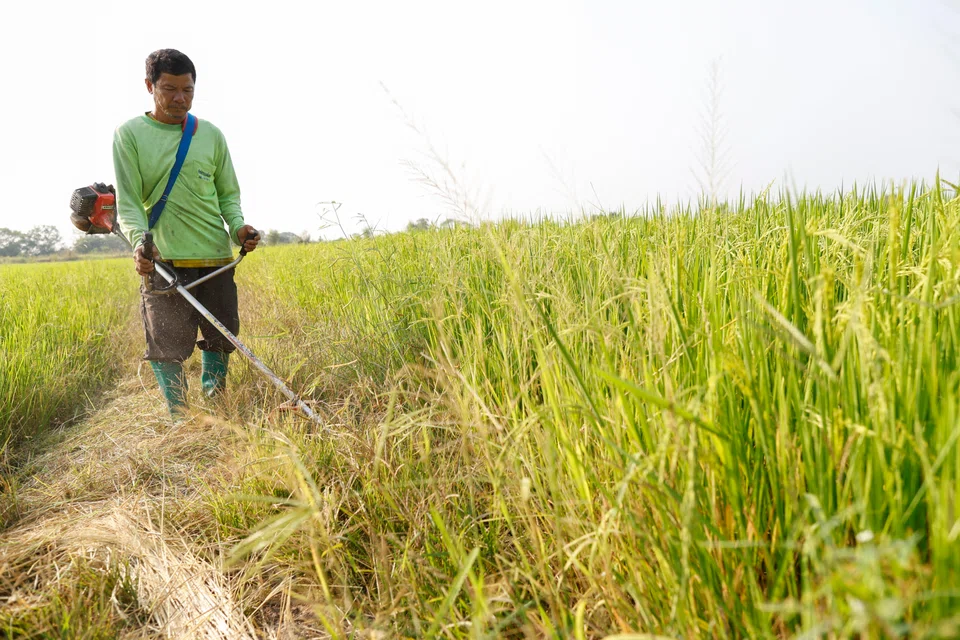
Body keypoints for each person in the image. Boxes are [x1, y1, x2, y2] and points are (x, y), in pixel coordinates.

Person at [112, 48, 260, 419]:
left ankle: (217, 407)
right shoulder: (129, 134)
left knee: (219, 334)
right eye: (169, 89)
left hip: (215, 256)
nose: (180, 98)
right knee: (166, 342)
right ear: (149, 86)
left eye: (187, 91)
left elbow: (228, 194)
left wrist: (239, 227)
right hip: (164, 260)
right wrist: (139, 244)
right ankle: (180, 417)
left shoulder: (210, 135)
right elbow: (128, 203)